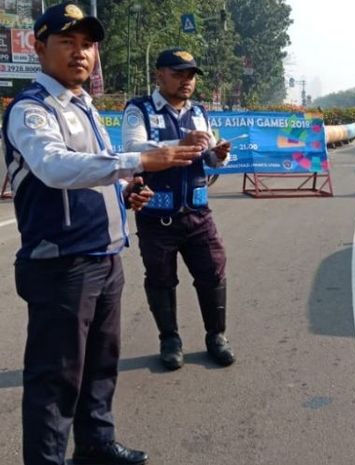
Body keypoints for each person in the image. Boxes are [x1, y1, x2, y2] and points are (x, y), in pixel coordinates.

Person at [3, 3, 202, 465]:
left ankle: (94, 444)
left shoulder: (85, 106)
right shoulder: (32, 109)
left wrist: (125, 190)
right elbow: (54, 167)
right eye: (67, 43)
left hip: (106, 257)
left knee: (100, 367)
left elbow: (98, 171)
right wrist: (137, 162)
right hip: (62, 265)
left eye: (87, 45)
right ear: (39, 47)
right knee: (55, 380)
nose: (80, 54)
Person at [121, 48, 235, 371]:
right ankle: (169, 339)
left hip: (198, 214)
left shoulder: (199, 112)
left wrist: (219, 155)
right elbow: (132, 150)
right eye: (179, 73)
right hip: (157, 216)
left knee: (213, 272)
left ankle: (217, 337)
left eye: (191, 75)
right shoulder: (138, 110)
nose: (187, 81)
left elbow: (208, 160)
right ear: (159, 75)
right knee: (161, 278)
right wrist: (178, 144)